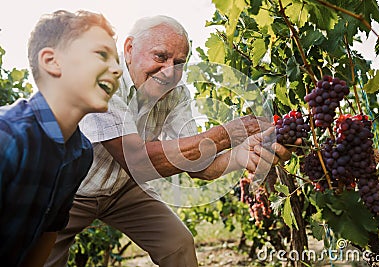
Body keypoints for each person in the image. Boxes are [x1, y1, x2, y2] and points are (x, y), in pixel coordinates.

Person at [45, 16, 294, 267]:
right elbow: (138, 161)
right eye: (160, 57)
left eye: (179, 63)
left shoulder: (175, 94)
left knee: (178, 244)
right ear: (129, 49)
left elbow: (199, 165)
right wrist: (226, 134)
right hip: (69, 190)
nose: (169, 71)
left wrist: (239, 155)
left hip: (123, 189)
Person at [0, 10, 122, 267]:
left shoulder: (80, 153)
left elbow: (48, 232)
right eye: (102, 54)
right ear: (52, 62)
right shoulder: (7, 136)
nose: (117, 69)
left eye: (117, 60)